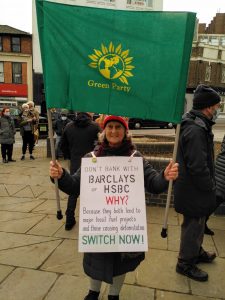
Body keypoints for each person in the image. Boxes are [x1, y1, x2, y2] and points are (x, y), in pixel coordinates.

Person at [50, 115, 178, 300]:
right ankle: (93, 292)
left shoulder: (135, 159)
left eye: (118, 127)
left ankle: (113, 295)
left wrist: (165, 177)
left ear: (126, 131)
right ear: (104, 131)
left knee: (120, 265)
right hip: (99, 224)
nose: (113, 131)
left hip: (124, 225)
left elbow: (153, 184)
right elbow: (75, 185)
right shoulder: (91, 158)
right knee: (95, 261)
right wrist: (61, 175)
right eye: (110, 126)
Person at [174, 84, 221, 282]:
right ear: (208, 107)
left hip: (194, 189)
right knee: (193, 224)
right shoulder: (195, 129)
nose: (218, 110)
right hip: (193, 190)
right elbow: (198, 166)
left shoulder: (198, 124)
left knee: (198, 223)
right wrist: (210, 186)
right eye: (217, 106)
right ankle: (185, 262)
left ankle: (196, 251)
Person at [60, 112, 101, 230]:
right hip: (93, 163)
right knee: (94, 191)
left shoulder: (69, 126)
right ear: (88, 114)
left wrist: (70, 156)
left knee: (73, 191)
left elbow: (63, 146)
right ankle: (95, 219)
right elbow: (102, 143)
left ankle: (69, 219)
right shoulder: (95, 127)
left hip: (75, 162)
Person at [205, 134, 225, 234]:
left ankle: (202, 222)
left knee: (217, 198)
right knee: (217, 198)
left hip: (221, 166)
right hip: (223, 169)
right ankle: (201, 222)